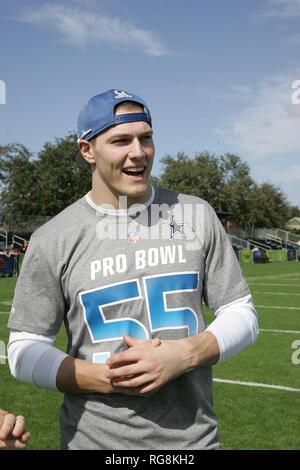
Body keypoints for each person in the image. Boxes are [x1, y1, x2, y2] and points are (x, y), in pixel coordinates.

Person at [7, 89, 258, 450]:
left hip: (195, 443)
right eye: (121, 140)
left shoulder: (195, 214)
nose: (138, 152)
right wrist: (109, 378)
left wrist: (182, 355)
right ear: (87, 150)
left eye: (146, 138)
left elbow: (242, 313)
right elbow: (24, 349)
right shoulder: (54, 237)